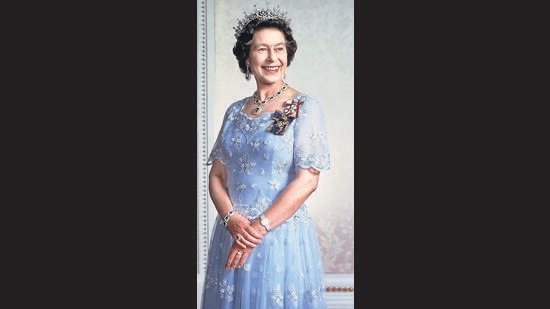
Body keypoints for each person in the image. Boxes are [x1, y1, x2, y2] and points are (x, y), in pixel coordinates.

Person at [200, 3, 331, 308]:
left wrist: (256, 230)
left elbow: (308, 180)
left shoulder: (300, 107)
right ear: (247, 58)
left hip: (277, 237)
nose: (273, 58)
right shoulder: (234, 111)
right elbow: (217, 175)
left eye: (279, 49)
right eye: (262, 49)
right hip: (232, 234)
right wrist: (232, 220)